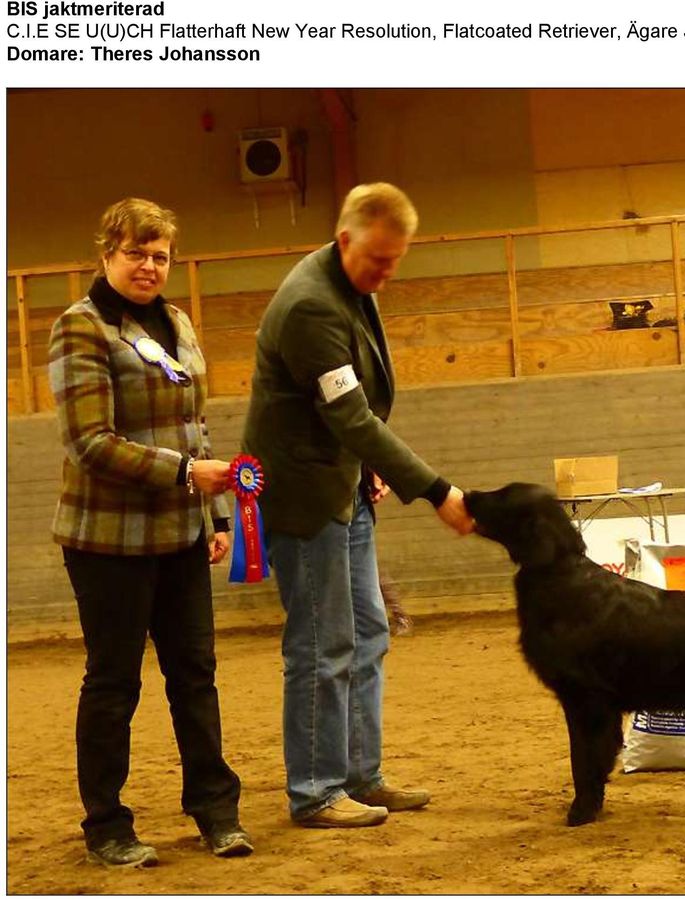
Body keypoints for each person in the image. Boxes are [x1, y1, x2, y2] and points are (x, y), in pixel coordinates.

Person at [242, 182, 474, 828]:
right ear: (345, 239)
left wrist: (368, 469)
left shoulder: (353, 286)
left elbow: (355, 408)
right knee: (322, 642)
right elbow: (350, 415)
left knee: (369, 630)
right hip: (303, 496)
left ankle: (360, 776)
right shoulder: (311, 305)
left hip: (345, 488)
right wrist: (435, 489)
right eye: (378, 260)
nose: (386, 272)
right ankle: (315, 792)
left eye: (397, 260)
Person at [48, 198, 252, 867]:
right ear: (106, 252)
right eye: (136, 252)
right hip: (107, 540)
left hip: (181, 533)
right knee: (114, 682)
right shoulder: (79, 329)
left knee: (196, 675)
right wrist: (189, 473)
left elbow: (195, 422)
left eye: (160, 254)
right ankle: (106, 824)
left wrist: (215, 515)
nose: (149, 265)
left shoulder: (177, 322)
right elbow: (90, 443)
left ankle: (216, 812)